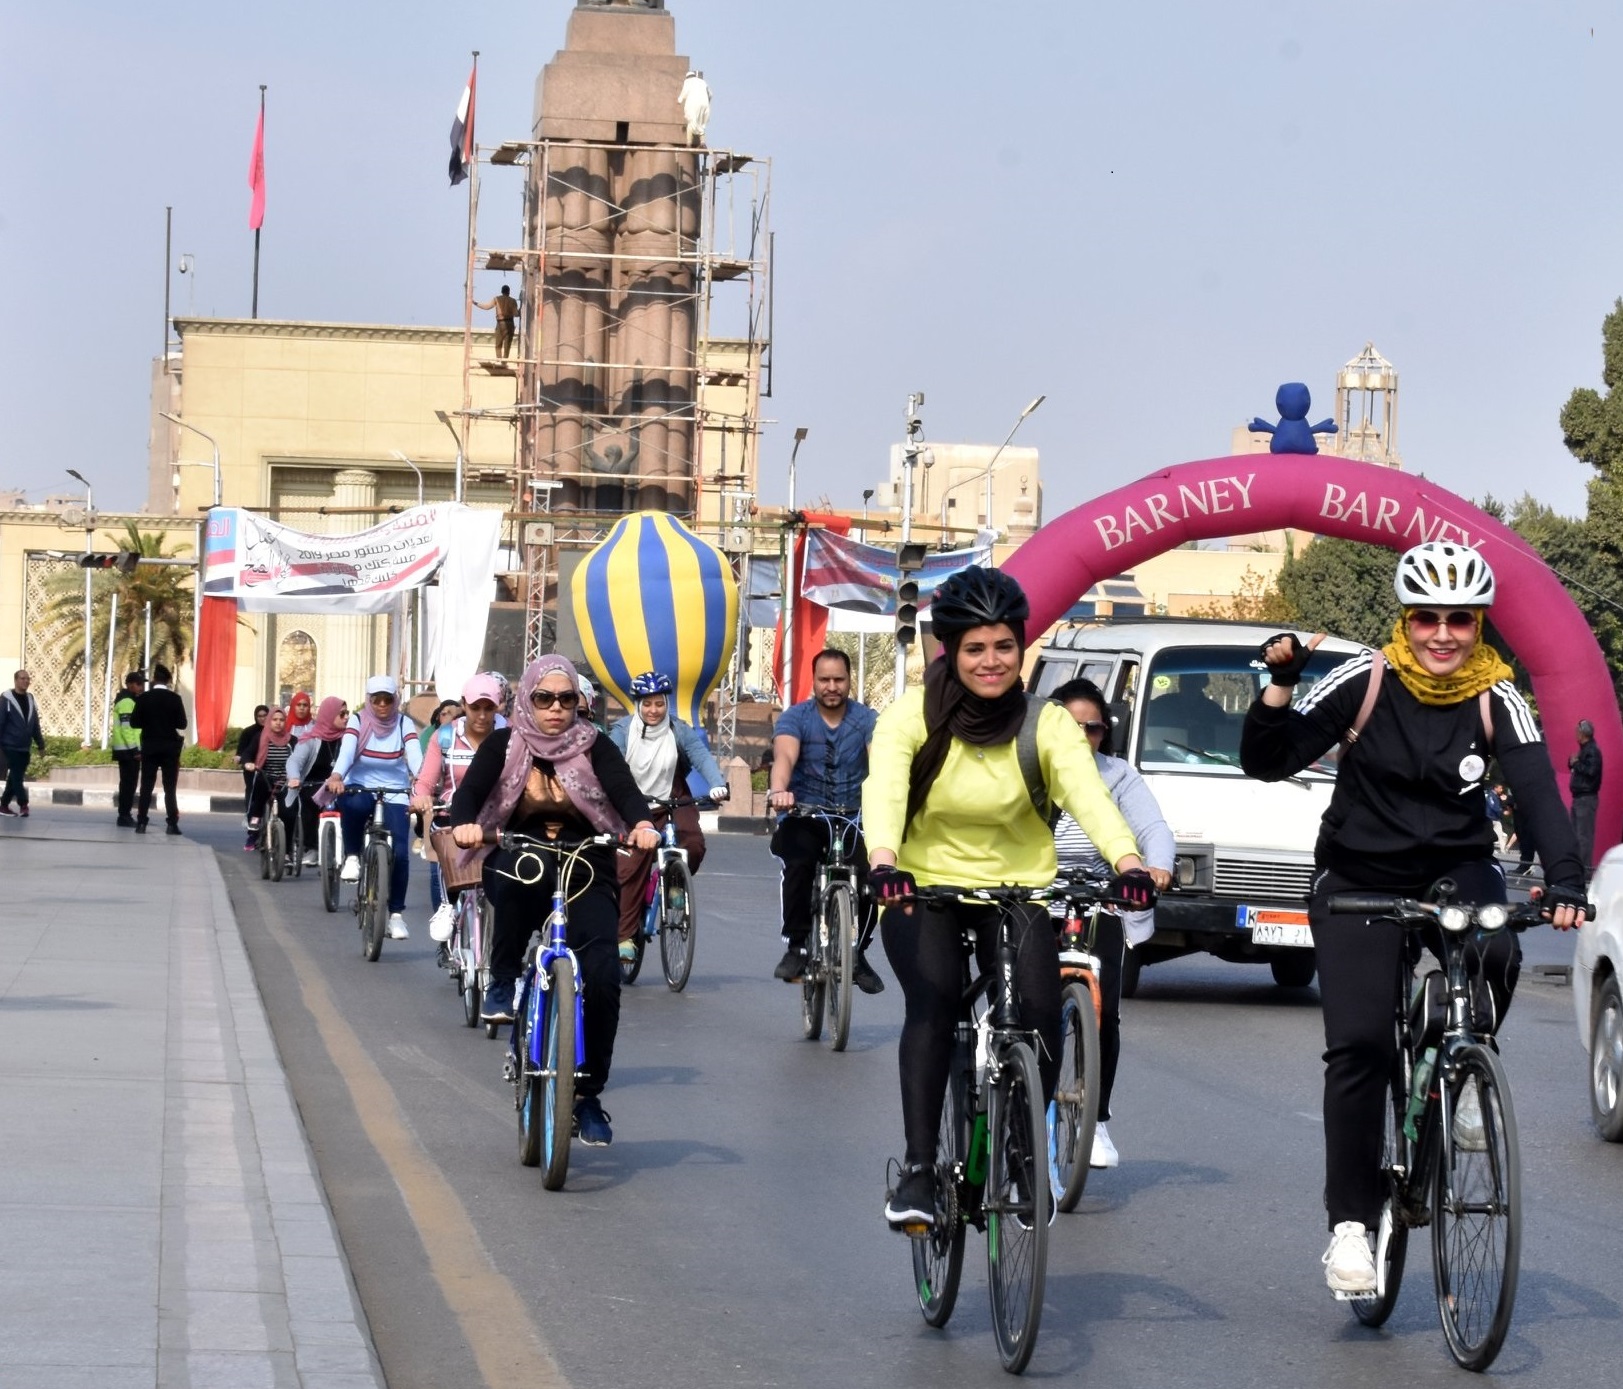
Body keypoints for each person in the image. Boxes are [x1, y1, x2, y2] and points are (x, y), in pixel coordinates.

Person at [1239, 540, 1588, 1298]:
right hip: (1358, 875)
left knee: (1495, 941)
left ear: (1478, 624)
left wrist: (1565, 878)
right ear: (1405, 618)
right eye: (1425, 617)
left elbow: (1535, 790)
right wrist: (1277, 686)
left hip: (1453, 869)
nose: (1440, 634)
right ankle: (1350, 1229)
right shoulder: (1365, 679)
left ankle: (1461, 1062)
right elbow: (1266, 762)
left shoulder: (1498, 696)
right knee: (1359, 1044)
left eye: (1457, 620)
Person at [861, 567, 1154, 1228]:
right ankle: (916, 1172)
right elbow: (882, 788)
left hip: (1017, 888)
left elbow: (1089, 796)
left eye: (1003, 646)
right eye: (974, 648)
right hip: (920, 883)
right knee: (934, 999)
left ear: (1020, 647)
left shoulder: (1044, 724)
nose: (990, 661)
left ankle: (1023, 1152)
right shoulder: (913, 715)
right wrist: (883, 861)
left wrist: (1127, 859)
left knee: (1040, 1009)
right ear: (950, 650)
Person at [448, 655, 658, 1147]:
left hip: (587, 860)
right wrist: (466, 823)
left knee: (604, 974)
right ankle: (501, 981)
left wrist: (642, 824)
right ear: (527, 700)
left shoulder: (596, 745)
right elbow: (472, 792)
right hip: (521, 852)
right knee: (522, 882)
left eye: (567, 699)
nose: (556, 709)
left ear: (579, 704)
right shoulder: (503, 744)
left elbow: (625, 793)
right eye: (545, 698)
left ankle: (587, 1098)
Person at [1049, 678, 1175, 1170]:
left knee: (1105, 1015)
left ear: (1106, 733)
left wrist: (1154, 867)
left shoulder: (1119, 776)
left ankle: (1096, 1120)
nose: (1083, 737)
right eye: (1071, 727)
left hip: (1102, 897)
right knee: (1028, 1004)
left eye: (1093, 728)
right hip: (1039, 895)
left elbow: (1152, 829)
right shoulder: (1032, 769)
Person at [767, 648, 884, 993]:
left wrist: (887, 795)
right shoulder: (796, 717)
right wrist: (780, 791)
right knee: (800, 860)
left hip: (855, 816)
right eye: (824, 679)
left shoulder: (866, 720)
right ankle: (798, 945)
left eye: (839, 679)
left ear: (849, 681)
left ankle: (858, 952)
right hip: (806, 811)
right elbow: (784, 756)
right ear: (814, 681)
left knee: (873, 873)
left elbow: (879, 761)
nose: (832, 686)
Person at [607, 671, 729, 963]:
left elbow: (700, 756)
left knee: (693, 843)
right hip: (633, 806)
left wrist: (717, 784)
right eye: (646, 704)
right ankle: (624, 937)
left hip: (672, 798)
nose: (653, 710)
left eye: (659, 704)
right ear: (637, 704)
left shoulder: (678, 729)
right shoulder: (623, 731)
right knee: (630, 866)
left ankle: (675, 884)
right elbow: (610, 765)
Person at [323, 676, 421, 940]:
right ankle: (353, 856)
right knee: (351, 804)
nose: (381, 705)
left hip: (395, 790)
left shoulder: (404, 722)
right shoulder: (357, 720)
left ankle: (396, 916)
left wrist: (423, 782)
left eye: (387, 699)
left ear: (395, 700)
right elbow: (347, 751)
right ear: (368, 699)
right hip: (360, 784)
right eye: (375, 699)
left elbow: (414, 755)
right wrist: (337, 776)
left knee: (400, 853)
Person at [411, 674, 504, 944]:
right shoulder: (445, 736)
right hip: (452, 812)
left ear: (498, 707)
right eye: (476, 707)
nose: (483, 715)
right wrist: (421, 797)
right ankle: (446, 905)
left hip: (497, 816)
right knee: (443, 834)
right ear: (464, 704)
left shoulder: (509, 734)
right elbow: (426, 779)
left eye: (489, 708)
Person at [285, 696, 348, 867]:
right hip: (312, 785)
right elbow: (294, 761)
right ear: (329, 715)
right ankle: (311, 847)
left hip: (341, 787)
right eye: (341, 714)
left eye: (347, 714)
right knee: (308, 802)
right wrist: (294, 777)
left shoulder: (349, 739)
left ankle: (351, 851)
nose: (346, 718)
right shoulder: (312, 739)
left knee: (353, 805)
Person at [130, 664, 188, 835]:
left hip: (149, 748)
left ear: (154, 679)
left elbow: (134, 723)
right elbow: (182, 724)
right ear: (168, 680)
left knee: (146, 786)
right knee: (170, 788)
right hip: (170, 749)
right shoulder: (175, 699)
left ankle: (141, 823)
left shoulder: (143, 698)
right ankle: (172, 824)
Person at [243, 707, 298, 855]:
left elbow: (300, 759)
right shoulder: (261, 737)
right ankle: (254, 825)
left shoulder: (291, 740)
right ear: (269, 721)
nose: (278, 723)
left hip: (285, 781)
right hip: (265, 776)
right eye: (274, 720)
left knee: (289, 812)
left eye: (281, 720)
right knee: (259, 790)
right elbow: (248, 753)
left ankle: (286, 851)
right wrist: (248, 762)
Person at [0, 670, 46, 818]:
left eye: (28, 679)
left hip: (24, 746)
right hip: (9, 745)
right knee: (17, 776)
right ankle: (23, 804)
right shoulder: (6, 699)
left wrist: (40, 744)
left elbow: (34, 724)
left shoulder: (30, 699)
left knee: (14, 777)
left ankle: (4, 805)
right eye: (22, 678)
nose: (25, 681)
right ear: (15, 680)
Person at [110, 671, 145, 827]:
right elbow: (126, 728)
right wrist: (135, 750)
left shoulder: (130, 700)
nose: (141, 687)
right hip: (127, 751)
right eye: (138, 684)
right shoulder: (126, 702)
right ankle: (124, 816)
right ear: (130, 684)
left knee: (128, 784)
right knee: (128, 785)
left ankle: (125, 814)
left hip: (126, 750)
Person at [1569, 718, 1603, 872]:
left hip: (1586, 797)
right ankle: (1578, 867)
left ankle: (1584, 869)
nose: (1575, 734)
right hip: (1579, 796)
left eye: (1577, 731)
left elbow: (1591, 771)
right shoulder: (1584, 750)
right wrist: (1572, 762)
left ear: (1583, 733)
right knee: (1576, 834)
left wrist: (1576, 763)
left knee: (1583, 836)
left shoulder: (1592, 751)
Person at [235, 706, 269, 805]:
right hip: (251, 767)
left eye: (265, 716)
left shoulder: (274, 732)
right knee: (252, 790)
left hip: (268, 767)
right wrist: (240, 758)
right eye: (259, 716)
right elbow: (242, 751)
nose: (262, 718)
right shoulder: (248, 732)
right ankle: (249, 815)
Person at [474, 284, 519, 359]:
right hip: (509, 324)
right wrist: (521, 311)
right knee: (507, 345)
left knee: (498, 344)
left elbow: (486, 307)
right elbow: (516, 314)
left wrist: (475, 303)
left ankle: (499, 359)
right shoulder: (513, 301)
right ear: (509, 292)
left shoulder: (496, 299)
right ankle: (504, 361)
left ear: (502, 291)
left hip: (500, 323)